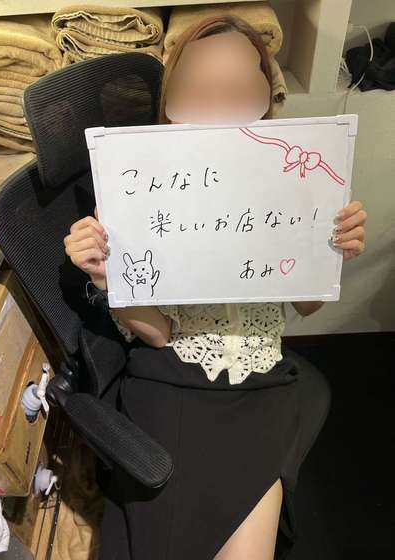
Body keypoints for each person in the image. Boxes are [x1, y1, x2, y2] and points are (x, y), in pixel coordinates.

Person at [64, 14, 367, 560]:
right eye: (200, 90)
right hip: (172, 378)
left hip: (264, 382)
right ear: (171, 101)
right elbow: (158, 335)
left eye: (238, 90)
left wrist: (331, 251)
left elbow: (305, 303)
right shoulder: (138, 184)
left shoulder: (293, 175)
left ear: (264, 98)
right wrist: (109, 278)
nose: (219, 106)